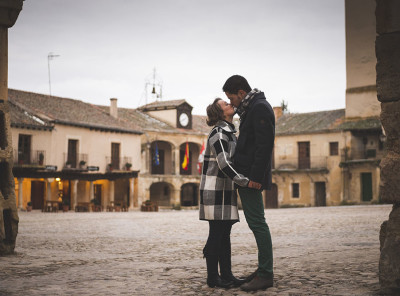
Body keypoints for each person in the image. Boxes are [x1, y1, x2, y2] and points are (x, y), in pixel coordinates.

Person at [199, 98, 261, 289]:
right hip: (215, 191)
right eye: (225, 104)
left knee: (224, 234)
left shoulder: (229, 132)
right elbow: (224, 163)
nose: (230, 105)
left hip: (225, 190)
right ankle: (212, 278)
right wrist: (245, 181)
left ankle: (227, 276)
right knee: (217, 234)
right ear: (220, 113)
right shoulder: (218, 133)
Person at [223, 75, 275, 292]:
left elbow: (264, 146)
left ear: (241, 93)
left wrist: (254, 178)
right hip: (248, 176)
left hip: (251, 178)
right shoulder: (252, 108)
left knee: (257, 224)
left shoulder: (259, 108)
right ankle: (263, 270)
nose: (231, 102)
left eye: (231, 98)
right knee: (257, 223)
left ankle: (265, 274)